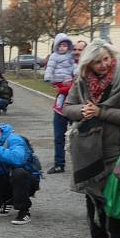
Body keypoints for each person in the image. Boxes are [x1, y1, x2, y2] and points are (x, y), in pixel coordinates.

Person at [63, 40, 120, 238]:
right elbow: (66, 108)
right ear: (88, 64)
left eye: (106, 59)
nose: (103, 64)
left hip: (115, 147)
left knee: (113, 196)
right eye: (97, 62)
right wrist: (82, 110)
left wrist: (101, 112)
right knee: (92, 196)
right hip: (87, 147)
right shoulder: (81, 80)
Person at [44, 34, 77, 174]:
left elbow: (77, 80)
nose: (77, 52)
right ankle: (59, 163)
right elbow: (50, 68)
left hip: (75, 105)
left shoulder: (75, 62)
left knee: (76, 135)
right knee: (59, 135)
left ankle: (80, 164)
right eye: (61, 45)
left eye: (66, 45)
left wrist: (66, 86)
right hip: (61, 104)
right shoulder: (54, 57)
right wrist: (51, 80)